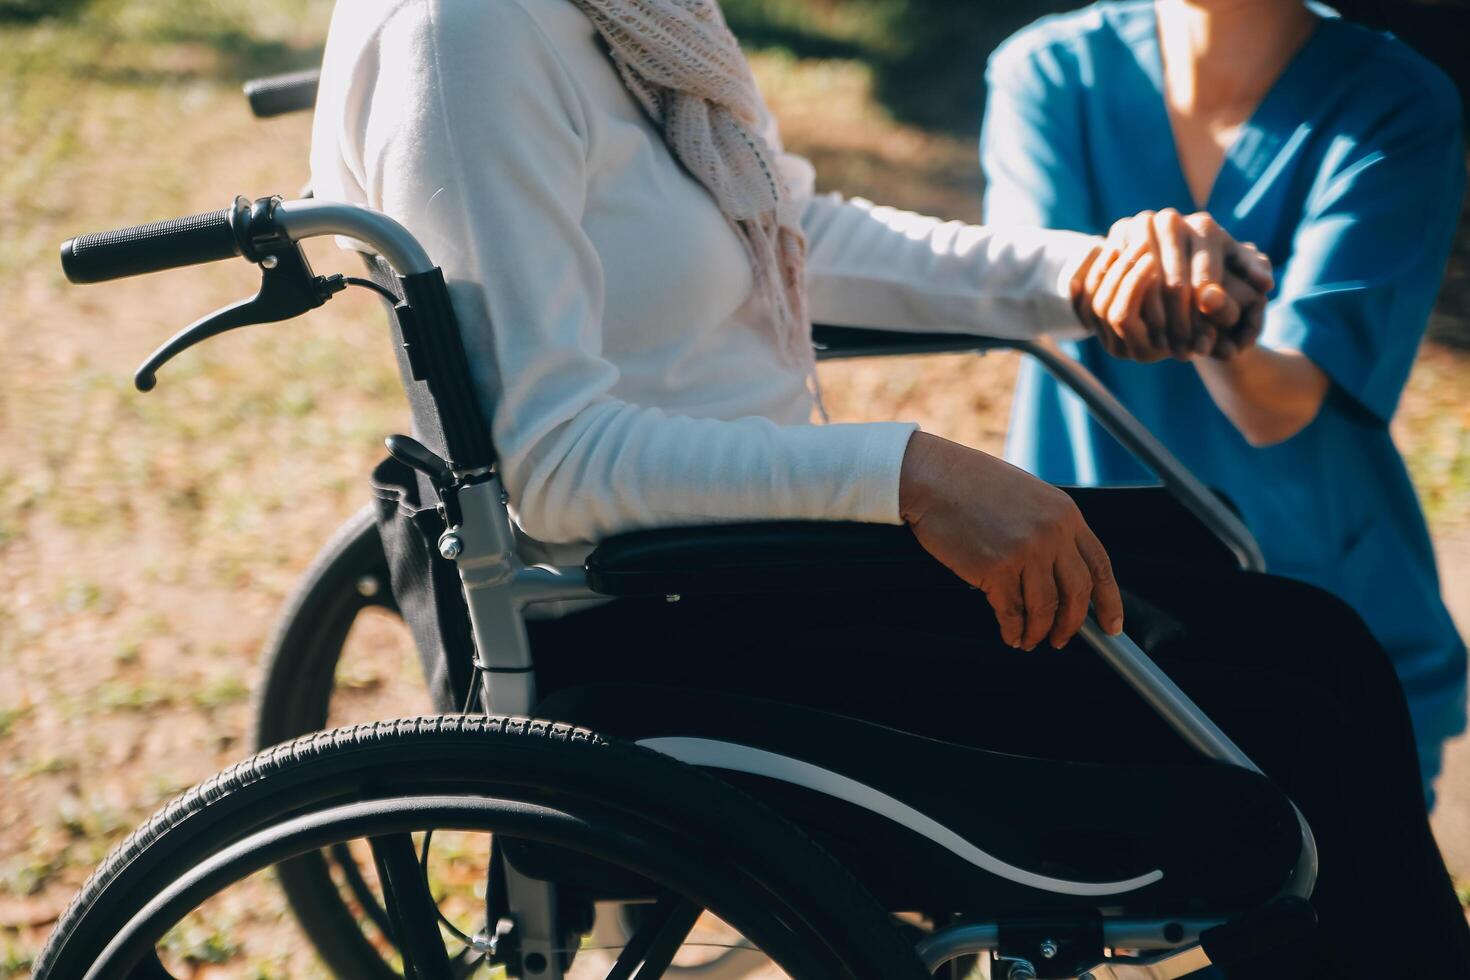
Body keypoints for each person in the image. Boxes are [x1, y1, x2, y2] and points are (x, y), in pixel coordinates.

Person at [310, 1, 1470, 974]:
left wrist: (1084, 272)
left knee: (1321, 642)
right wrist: (911, 473)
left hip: (770, 567)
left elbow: (798, 234)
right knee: (1283, 731)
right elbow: (554, 464)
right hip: (664, 618)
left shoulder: (633, 18)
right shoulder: (467, 37)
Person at [982, 0, 1468, 799]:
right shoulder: (1048, 72)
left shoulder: (1398, 101)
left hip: (1321, 619)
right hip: (1082, 607)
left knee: (1350, 915)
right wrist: (1160, 265)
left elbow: (1278, 401)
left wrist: (1204, 310)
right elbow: (1020, 293)